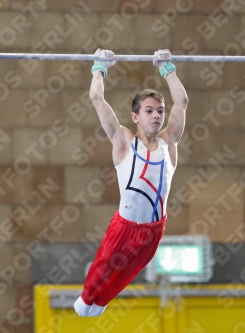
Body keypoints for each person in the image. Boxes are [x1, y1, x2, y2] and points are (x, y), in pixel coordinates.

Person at [73, 48, 188, 317]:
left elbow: (181, 102)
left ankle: (99, 304)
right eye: (149, 111)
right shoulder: (124, 142)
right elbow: (96, 97)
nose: (157, 115)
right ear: (135, 117)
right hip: (125, 228)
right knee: (101, 272)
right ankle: (87, 300)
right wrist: (99, 66)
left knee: (125, 276)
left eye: (160, 111)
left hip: (154, 230)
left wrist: (167, 69)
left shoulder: (168, 143)